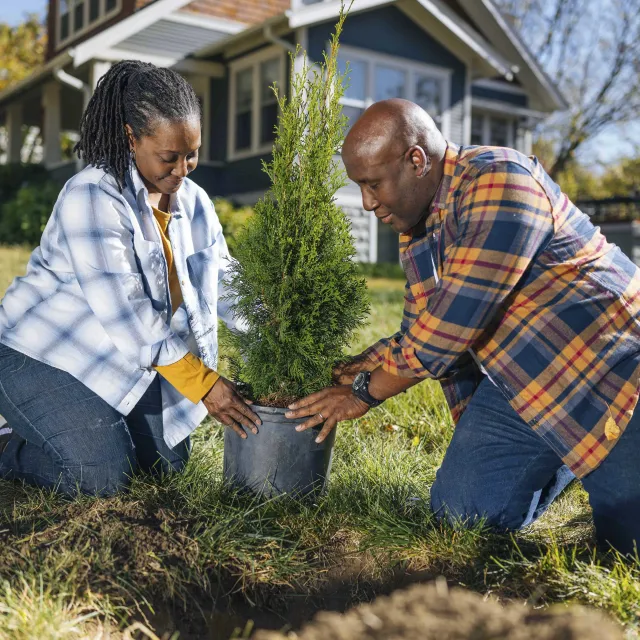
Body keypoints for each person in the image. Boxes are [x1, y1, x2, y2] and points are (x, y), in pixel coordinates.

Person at [286, 98, 640, 554]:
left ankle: (593, 457)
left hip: (613, 369)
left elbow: (444, 335)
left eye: (373, 184)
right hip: (527, 380)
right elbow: (420, 330)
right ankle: (570, 451)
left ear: (416, 160)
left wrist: (363, 391)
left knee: (626, 549)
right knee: (460, 516)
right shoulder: (420, 230)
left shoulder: (499, 182)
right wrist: (345, 368)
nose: (367, 203)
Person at [0, 60, 260, 497]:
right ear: (131, 137)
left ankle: (61, 425)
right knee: (103, 477)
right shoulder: (94, 193)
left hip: (112, 361)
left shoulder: (194, 202)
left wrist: (273, 329)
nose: (183, 169)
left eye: (191, 154)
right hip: (38, 353)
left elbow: (225, 281)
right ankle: (9, 443)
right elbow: (130, 315)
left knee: (165, 468)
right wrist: (206, 385)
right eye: (169, 157)